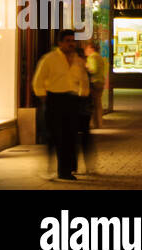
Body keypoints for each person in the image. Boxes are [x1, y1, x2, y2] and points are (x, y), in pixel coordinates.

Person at [32, 29, 80, 180]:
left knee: (70, 135)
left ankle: (67, 168)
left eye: (73, 40)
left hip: (72, 99)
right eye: (67, 41)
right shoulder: (49, 59)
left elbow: (81, 80)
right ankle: (63, 171)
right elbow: (38, 80)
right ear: (60, 43)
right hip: (54, 100)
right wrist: (44, 97)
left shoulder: (77, 60)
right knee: (58, 136)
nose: (71, 44)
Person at [69, 46, 96, 175]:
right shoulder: (82, 68)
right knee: (82, 136)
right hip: (81, 106)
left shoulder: (79, 68)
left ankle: (77, 166)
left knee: (77, 136)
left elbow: (86, 89)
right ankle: (85, 165)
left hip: (80, 105)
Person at [84, 42, 108, 129]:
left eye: (86, 49)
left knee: (94, 104)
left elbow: (93, 70)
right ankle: (99, 123)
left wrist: (86, 67)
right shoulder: (99, 57)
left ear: (91, 48)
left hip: (94, 82)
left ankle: (96, 124)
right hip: (100, 81)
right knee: (98, 104)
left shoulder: (92, 57)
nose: (85, 51)